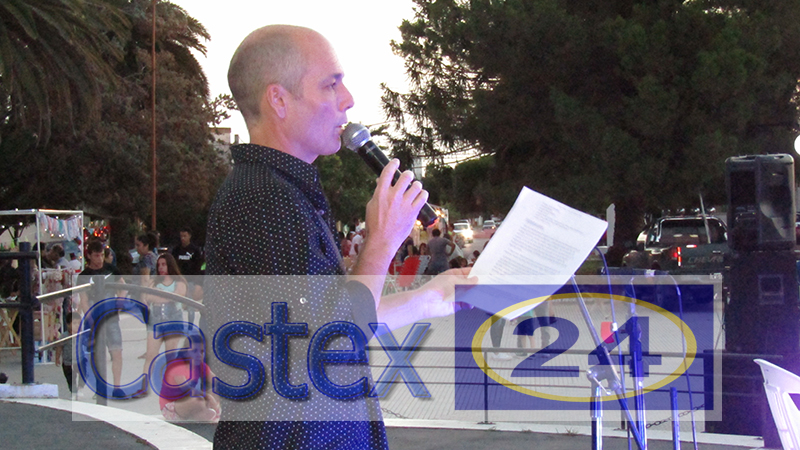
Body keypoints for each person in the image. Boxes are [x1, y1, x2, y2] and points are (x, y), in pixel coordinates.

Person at [205, 24, 471, 449]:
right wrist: (381, 240)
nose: (348, 100)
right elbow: (328, 341)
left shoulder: (281, 192)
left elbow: (332, 317)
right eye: (331, 85)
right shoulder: (263, 199)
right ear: (278, 100)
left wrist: (432, 297)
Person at [78, 240, 124, 390]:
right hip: (95, 316)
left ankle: (117, 386)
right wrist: (90, 319)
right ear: (89, 256)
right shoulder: (84, 276)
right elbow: (84, 300)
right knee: (96, 355)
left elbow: (123, 286)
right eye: (96, 256)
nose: (100, 259)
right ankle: (100, 386)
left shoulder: (111, 269)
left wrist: (119, 303)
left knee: (116, 351)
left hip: (111, 316)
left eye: (102, 255)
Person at [139, 253, 186, 396]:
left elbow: (177, 296)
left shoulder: (179, 281)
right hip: (156, 320)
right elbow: (148, 296)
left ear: (170, 265)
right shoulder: (154, 282)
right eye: (159, 265)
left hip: (173, 319)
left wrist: (159, 295)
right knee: (150, 355)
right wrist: (164, 297)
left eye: (164, 264)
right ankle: (144, 386)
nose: (161, 268)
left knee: (170, 355)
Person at [158, 335, 221, 422]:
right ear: (186, 352)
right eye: (194, 351)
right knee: (198, 401)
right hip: (171, 407)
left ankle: (204, 416)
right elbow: (187, 390)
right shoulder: (177, 366)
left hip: (188, 402)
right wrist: (208, 397)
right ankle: (206, 415)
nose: (199, 355)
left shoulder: (200, 365)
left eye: (202, 351)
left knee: (215, 392)